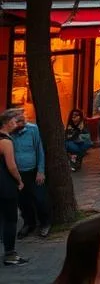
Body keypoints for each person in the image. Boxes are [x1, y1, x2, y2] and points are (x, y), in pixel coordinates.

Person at [8, 109, 50, 239]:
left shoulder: (32, 129)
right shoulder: (8, 133)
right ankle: (29, 223)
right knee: (23, 201)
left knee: (40, 199)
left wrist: (40, 171)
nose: (22, 122)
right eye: (18, 121)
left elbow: (39, 150)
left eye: (23, 119)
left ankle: (45, 223)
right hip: (17, 173)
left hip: (33, 171)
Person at [0, 109, 27, 267]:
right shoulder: (6, 142)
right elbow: (11, 166)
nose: (16, 124)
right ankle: (10, 254)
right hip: (5, 184)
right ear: (7, 122)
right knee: (11, 219)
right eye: (15, 121)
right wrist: (19, 180)